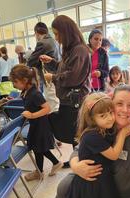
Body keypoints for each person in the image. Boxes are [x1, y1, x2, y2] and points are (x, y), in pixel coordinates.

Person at [64, 92, 130, 198]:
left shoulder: (105, 128)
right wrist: (123, 134)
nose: (110, 118)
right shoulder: (92, 136)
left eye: (111, 113)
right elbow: (114, 155)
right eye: (103, 115)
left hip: (102, 180)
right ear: (92, 118)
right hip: (92, 184)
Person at [39, 15, 91, 168]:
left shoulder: (80, 50)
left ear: (66, 32)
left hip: (75, 101)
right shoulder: (71, 49)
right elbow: (67, 69)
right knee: (74, 134)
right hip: (68, 100)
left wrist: (53, 77)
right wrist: (53, 63)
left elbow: (73, 77)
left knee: (75, 134)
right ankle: (78, 159)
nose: (55, 37)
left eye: (56, 33)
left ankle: (81, 161)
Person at [9, 64, 63, 181]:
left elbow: (47, 108)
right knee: (39, 148)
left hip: (40, 126)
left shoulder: (34, 93)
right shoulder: (26, 91)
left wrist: (32, 115)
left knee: (39, 148)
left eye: (15, 82)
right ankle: (51, 165)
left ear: (24, 80)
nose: (13, 85)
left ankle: (40, 171)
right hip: (36, 125)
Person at [27, 22, 59, 93]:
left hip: (48, 78)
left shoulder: (42, 43)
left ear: (36, 33)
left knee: (51, 102)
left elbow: (31, 62)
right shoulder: (55, 41)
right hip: (57, 76)